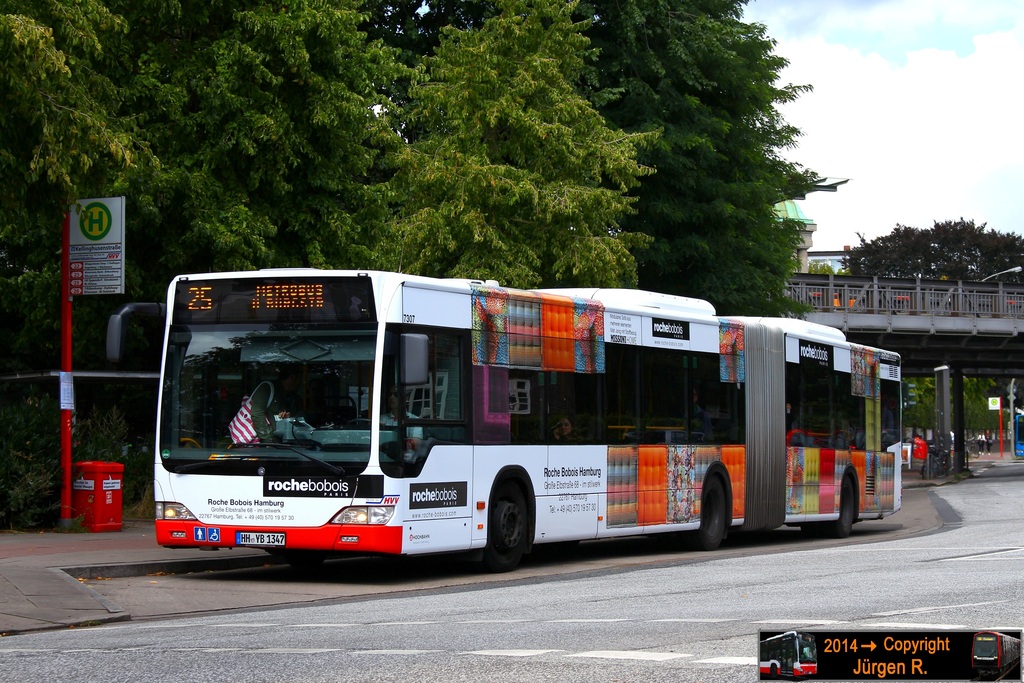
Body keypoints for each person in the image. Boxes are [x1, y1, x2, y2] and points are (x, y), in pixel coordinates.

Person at [247, 366, 301, 442]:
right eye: (299, 379)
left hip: (276, 442)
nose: (300, 383)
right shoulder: (267, 388)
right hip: (260, 444)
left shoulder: (287, 395)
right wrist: (268, 440)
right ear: (292, 378)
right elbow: (256, 413)